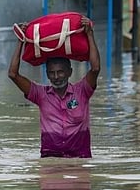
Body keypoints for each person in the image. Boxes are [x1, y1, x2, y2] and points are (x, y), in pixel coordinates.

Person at [8, 16, 100, 158]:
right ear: (47, 74)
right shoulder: (41, 95)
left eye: (60, 72)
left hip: (79, 159)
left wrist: (89, 34)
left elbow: (95, 69)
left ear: (70, 72)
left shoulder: (82, 91)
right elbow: (13, 74)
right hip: (50, 160)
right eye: (52, 73)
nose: (56, 77)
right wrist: (21, 41)